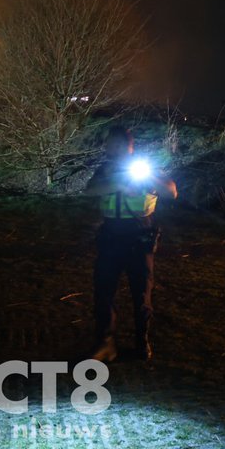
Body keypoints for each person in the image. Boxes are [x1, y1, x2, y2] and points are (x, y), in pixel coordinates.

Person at [85, 125, 177, 362]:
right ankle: (106, 344)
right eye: (110, 144)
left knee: (141, 293)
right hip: (111, 236)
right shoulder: (105, 170)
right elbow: (90, 190)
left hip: (139, 236)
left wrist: (149, 178)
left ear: (130, 146)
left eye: (117, 144)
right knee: (103, 290)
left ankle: (141, 342)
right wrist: (118, 184)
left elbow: (171, 192)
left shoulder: (146, 168)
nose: (112, 148)